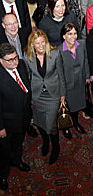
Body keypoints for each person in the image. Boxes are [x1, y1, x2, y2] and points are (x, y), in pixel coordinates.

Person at [24, 30, 67, 165]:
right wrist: (29, 96)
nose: (41, 45)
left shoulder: (55, 54)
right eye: (37, 43)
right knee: (39, 122)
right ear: (32, 45)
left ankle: (56, 147)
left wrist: (63, 94)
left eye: (43, 42)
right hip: (37, 95)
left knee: (51, 125)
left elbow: (61, 75)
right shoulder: (27, 57)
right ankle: (45, 142)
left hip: (53, 94)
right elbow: (28, 77)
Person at [0, 43, 31, 191]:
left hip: (23, 117)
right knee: (4, 151)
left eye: (15, 58)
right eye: (10, 60)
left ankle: (17, 160)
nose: (14, 62)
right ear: (1, 61)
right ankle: (3, 175)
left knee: (18, 143)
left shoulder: (22, 64)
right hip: (7, 123)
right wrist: (0, 127)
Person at [58, 23, 90, 138]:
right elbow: (59, 73)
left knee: (77, 105)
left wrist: (87, 75)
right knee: (68, 107)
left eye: (75, 33)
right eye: (69, 34)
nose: (73, 36)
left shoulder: (81, 45)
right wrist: (62, 91)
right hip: (67, 84)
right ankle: (66, 127)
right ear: (63, 36)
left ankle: (75, 122)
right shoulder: (59, 52)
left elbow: (86, 60)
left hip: (80, 82)